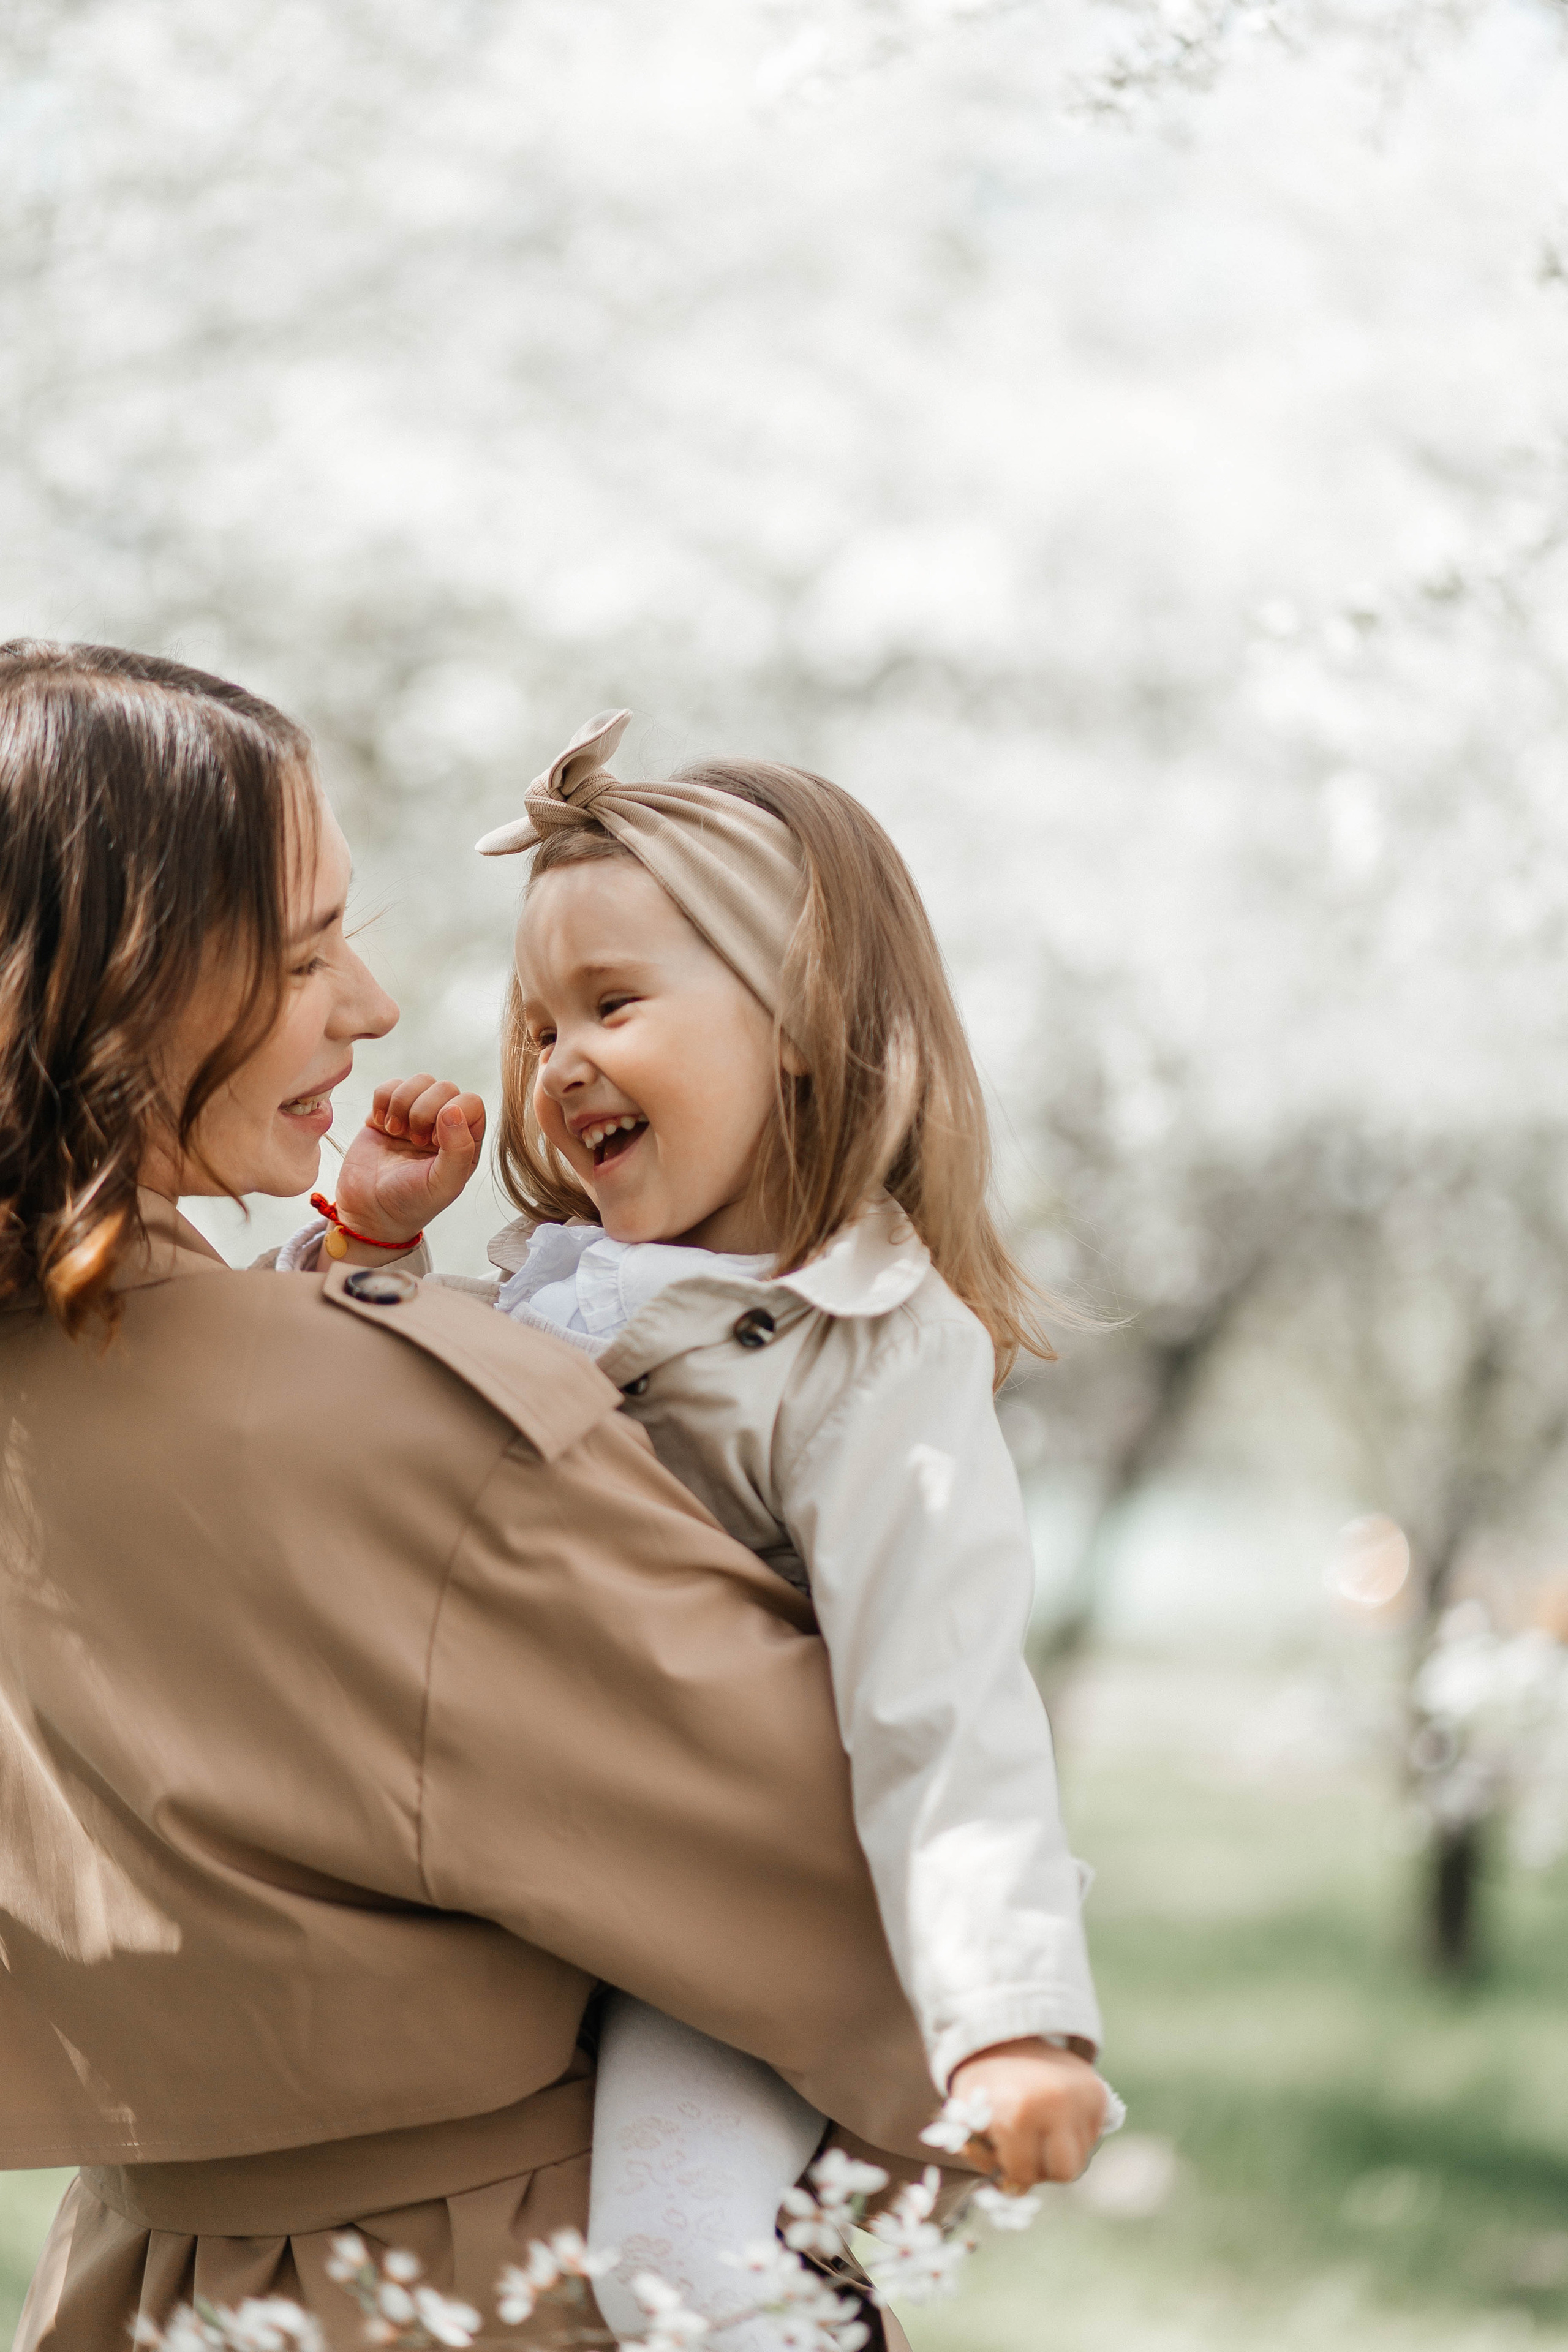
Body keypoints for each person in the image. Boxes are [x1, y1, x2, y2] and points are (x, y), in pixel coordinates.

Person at [0, 645, 1020, 2352]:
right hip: (483, 2283)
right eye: (307, 948)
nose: (378, 1008)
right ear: (130, 978)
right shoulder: (403, 1433)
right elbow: (847, 1885)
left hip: (138, 2282)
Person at [304, 711, 1112, 2351]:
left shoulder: (868, 1348)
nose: (557, 1063)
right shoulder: (554, 1280)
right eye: (537, 1026)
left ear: (808, 1024)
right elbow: (353, 1438)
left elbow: (939, 1696)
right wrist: (363, 1257)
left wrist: (1013, 2024)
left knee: (673, 2261)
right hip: (540, 1878)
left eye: (613, 1005)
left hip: (728, 1935)